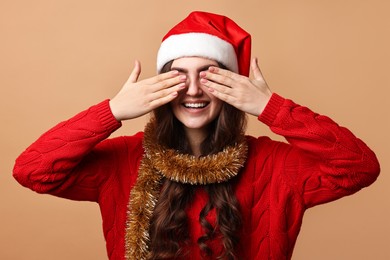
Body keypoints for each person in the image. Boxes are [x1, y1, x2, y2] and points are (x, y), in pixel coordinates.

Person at [13, 11, 380, 260]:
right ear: (160, 86)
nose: (192, 90)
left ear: (231, 84)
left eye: (209, 75)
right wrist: (112, 111)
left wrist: (269, 106)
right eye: (178, 76)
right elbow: (32, 170)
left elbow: (359, 166)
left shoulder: (275, 165)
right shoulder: (123, 161)